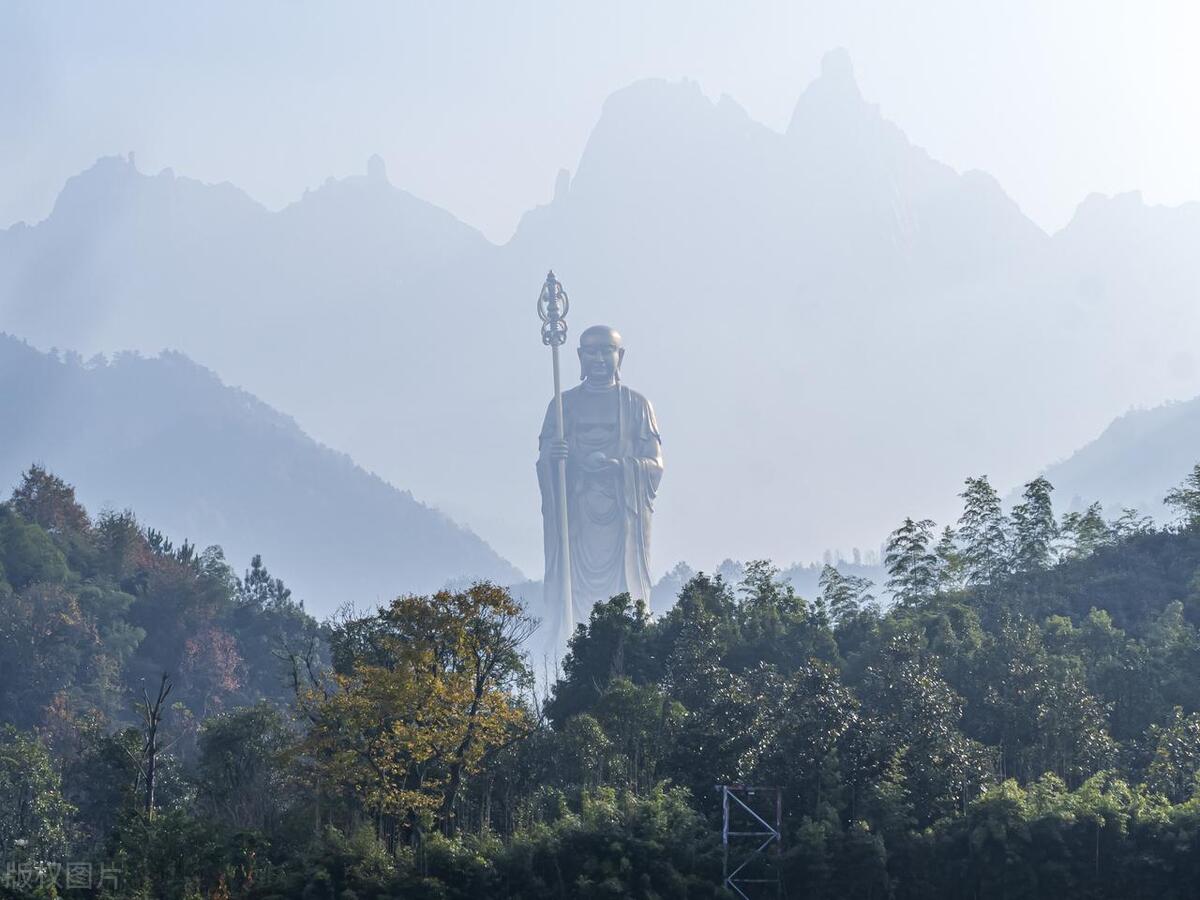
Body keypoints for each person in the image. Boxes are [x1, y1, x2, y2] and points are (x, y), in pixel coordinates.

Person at [537, 325, 663, 641]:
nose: (598, 358)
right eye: (591, 351)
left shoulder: (638, 405)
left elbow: (655, 465)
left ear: (620, 356)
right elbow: (544, 461)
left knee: (623, 598)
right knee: (575, 598)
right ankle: (573, 650)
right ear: (579, 356)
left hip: (622, 520)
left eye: (606, 350)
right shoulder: (561, 406)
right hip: (577, 521)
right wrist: (555, 458)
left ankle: (627, 647)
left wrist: (620, 467)